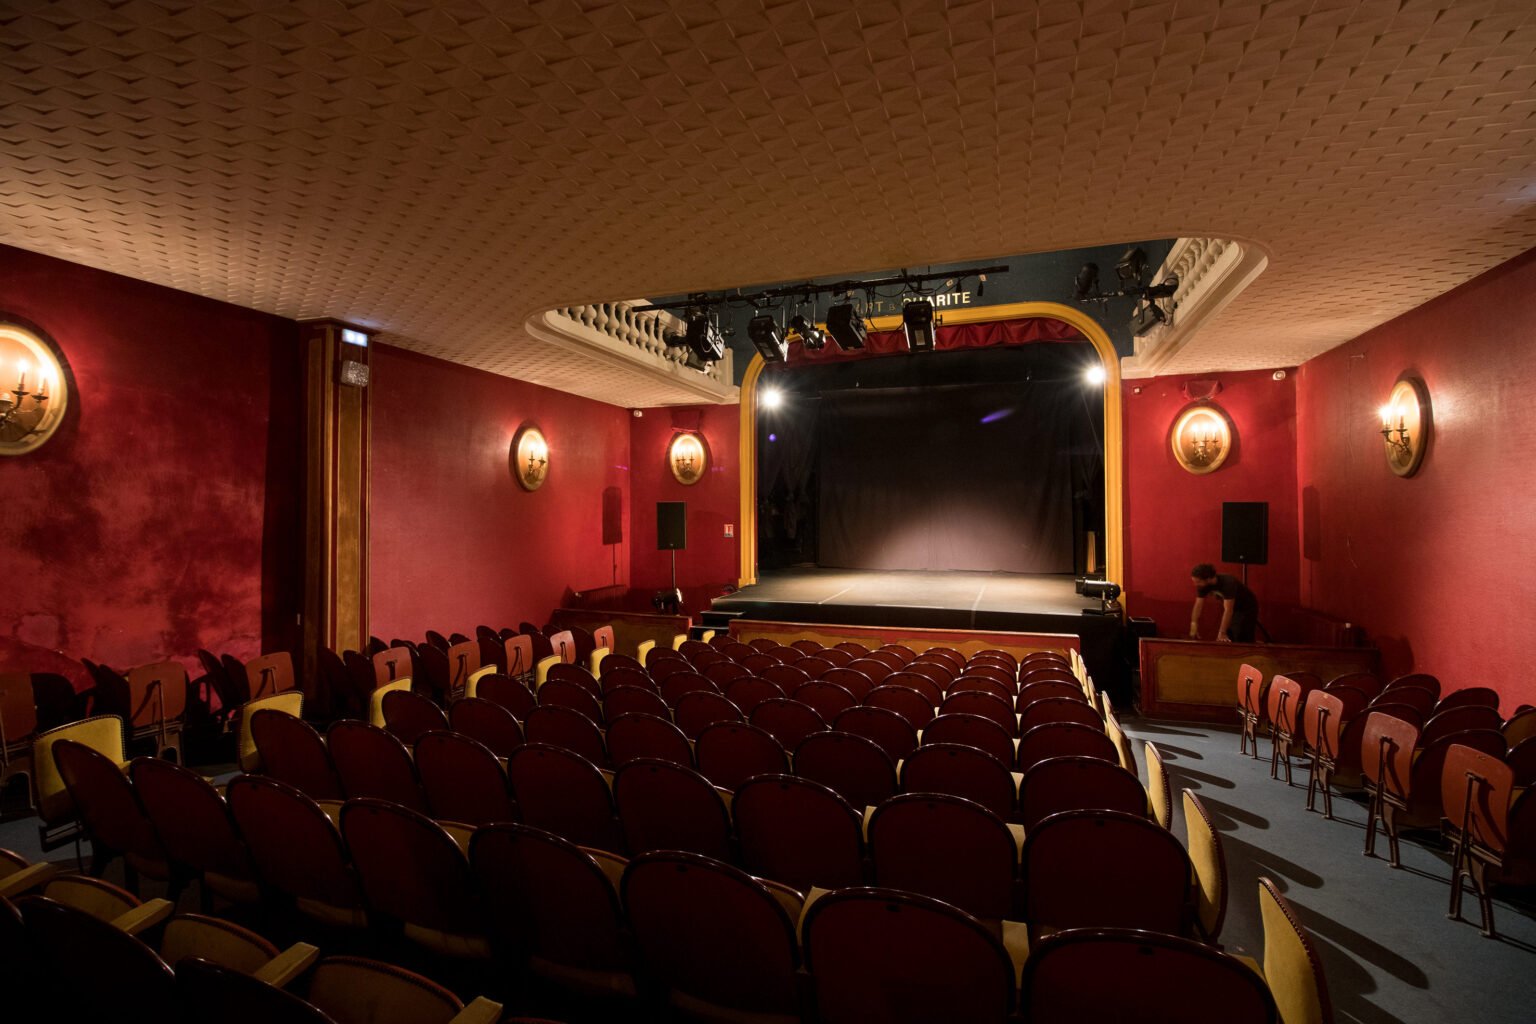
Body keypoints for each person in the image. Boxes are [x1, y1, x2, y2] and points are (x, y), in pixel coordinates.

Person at [1189, 563, 1259, 643]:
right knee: (1230, 635)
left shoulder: (1228, 583)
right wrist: (1193, 624)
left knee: (1240, 635)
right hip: (1234, 608)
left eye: (1198, 582)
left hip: (1247, 607)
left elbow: (1228, 610)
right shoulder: (1203, 586)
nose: (1195, 585)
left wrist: (1222, 633)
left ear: (1208, 579)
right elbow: (1198, 605)